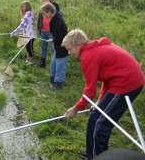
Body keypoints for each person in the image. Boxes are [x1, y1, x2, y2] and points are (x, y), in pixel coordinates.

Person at [62, 29, 145, 160]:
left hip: (127, 83)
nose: (69, 52)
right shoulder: (93, 49)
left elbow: (89, 90)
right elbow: (107, 78)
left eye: (70, 49)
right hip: (120, 80)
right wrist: (100, 100)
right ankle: (91, 154)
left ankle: (99, 157)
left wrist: (76, 108)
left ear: (78, 45)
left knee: (100, 123)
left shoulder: (88, 56)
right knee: (94, 118)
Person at [40, 2, 68, 89]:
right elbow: (55, 34)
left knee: (60, 65)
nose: (44, 16)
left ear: (49, 11)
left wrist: (53, 39)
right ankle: (52, 80)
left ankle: (58, 84)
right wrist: (53, 39)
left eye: (44, 14)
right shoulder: (54, 18)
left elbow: (62, 36)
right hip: (57, 45)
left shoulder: (59, 21)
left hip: (63, 46)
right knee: (53, 63)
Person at [37, 0, 60, 68]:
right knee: (43, 46)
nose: (42, 0)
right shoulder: (42, 6)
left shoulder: (55, 5)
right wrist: (39, 28)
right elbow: (39, 19)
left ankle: (55, 63)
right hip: (43, 30)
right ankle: (42, 62)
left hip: (51, 31)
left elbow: (58, 17)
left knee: (53, 48)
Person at [10, 1, 36, 65]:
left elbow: (22, 25)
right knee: (28, 47)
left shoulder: (28, 14)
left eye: (23, 6)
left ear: (27, 7)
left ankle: (30, 61)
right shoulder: (27, 13)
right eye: (21, 6)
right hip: (27, 33)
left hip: (30, 34)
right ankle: (28, 59)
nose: (22, 8)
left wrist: (14, 32)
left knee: (29, 47)